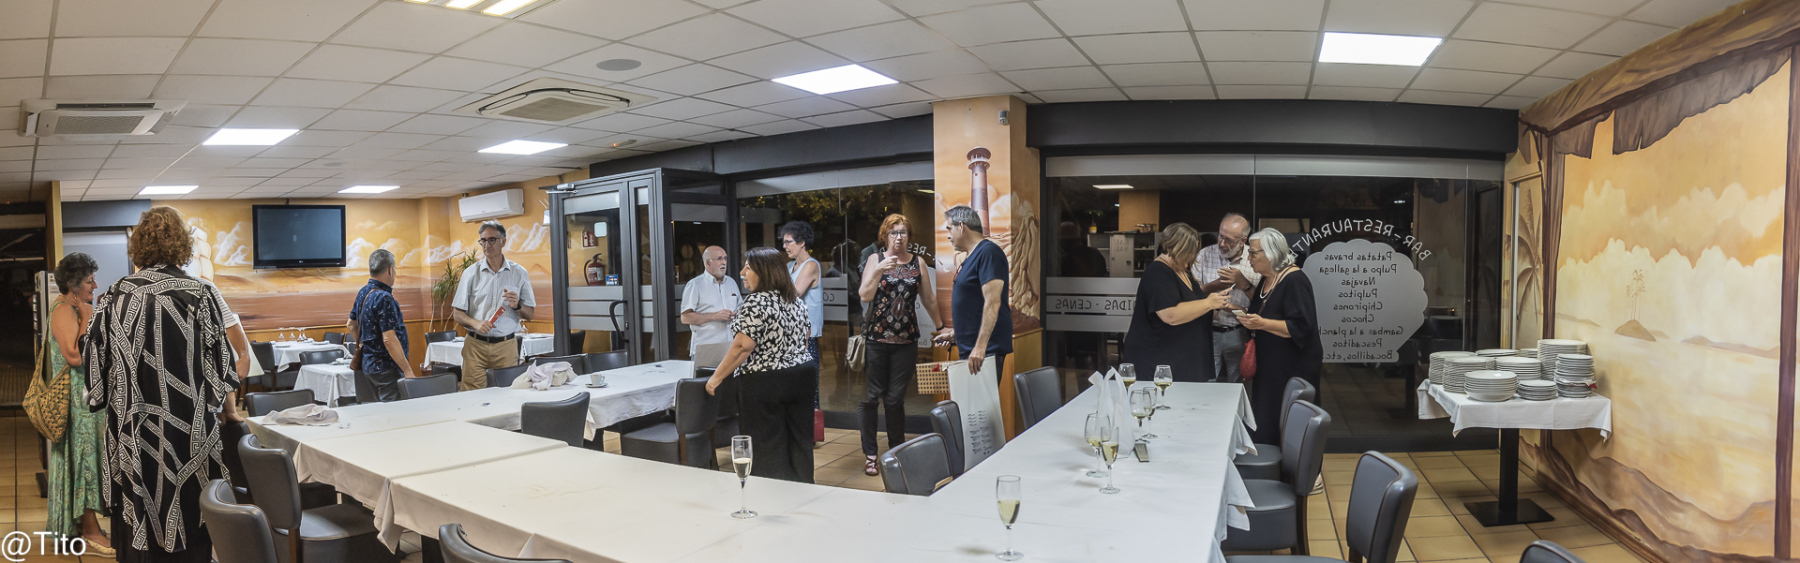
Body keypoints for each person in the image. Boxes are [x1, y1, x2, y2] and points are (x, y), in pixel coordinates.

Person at [85, 206, 244, 562]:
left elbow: (96, 374)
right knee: (191, 515)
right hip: (189, 433)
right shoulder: (200, 293)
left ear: (138, 247)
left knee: (138, 513)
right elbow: (221, 368)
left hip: (133, 433)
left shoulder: (114, 295)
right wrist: (228, 410)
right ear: (182, 245)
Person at [704, 247, 817, 483]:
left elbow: (742, 347)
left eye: (748, 268)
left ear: (764, 272)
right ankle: (803, 490)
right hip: (802, 376)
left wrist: (716, 378)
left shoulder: (755, 302)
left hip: (766, 380)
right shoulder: (795, 300)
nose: (742, 272)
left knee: (767, 444)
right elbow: (805, 338)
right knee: (800, 440)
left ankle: (771, 494)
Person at [855, 214, 942, 476]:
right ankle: (871, 455)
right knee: (872, 398)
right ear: (885, 236)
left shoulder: (918, 262)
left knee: (895, 399)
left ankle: (896, 451)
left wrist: (941, 327)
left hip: (906, 340)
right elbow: (865, 295)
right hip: (876, 339)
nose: (898, 237)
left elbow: (929, 299)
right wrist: (879, 270)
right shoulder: (875, 259)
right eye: (893, 232)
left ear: (909, 236)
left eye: (903, 232)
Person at [46, 253, 112, 555]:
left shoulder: (71, 308)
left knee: (85, 462)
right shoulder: (64, 310)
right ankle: (90, 532)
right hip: (76, 407)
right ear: (73, 285)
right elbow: (74, 356)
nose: (95, 286)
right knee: (84, 463)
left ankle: (86, 527)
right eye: (89, 281)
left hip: (84, 402)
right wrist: (87, 316)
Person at [1239, 228, 1322, 444]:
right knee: (1267, 419)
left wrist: (1261, 323)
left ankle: (1297, 464)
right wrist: (1239, 312)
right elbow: (1263, 314)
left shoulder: (1295, 280)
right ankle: (1270, 459)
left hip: (1291, 369)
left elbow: (1301, 327)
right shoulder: (1266, 279)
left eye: (1253, 253)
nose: (1249, 258)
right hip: (1270, 369)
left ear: (1271, 254)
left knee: (1289, 423)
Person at [1124, 223, 1234, 383]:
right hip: (1161, 359)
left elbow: (1195, 308)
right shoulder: (1158, 272)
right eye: (1189, 252)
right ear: (1174, 248)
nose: (1192, 257)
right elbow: (1170, 314)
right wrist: (1209, 303)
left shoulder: (1184, 272)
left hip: (1184, 360)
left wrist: (1218, 304)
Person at [452, 220, 536, 390]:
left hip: (506, 346)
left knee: (507, 394)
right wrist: (476, 323)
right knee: (472, 396)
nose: (486, 245)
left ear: (503, 241)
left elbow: (530, 314)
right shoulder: (470, 273)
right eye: (483, 240)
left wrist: (517, 306)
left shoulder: (519, 273)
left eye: (492, 240)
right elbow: (457, 313)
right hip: (475, 346)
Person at [934, 205, 1011, 378]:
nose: (948, 235)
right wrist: (955, 334)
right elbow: (973, 304)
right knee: (968, 397)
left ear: (961, 226)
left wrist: (980, 347)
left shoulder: (989, 253)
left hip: (983, 353)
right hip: (971, 350)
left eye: (949, 229)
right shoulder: (972, 256)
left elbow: (993, 302)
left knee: (978, 398)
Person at [1194, 213, 1262, 383]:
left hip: (1239, 332)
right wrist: (1214, 286)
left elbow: (1263, 303)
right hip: (1208, 331)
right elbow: (1191, 295)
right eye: (1220, 236)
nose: (1222, 243)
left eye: (1229, 240)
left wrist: (1244, 283)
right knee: (1205, 384)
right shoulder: (1204, 255)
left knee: (1238, 385)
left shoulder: (1254, 258)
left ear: (1243, 240)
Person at [779, 221, 824, 426]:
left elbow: (793, 294)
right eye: (784, 242)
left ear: (802, 242)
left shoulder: (811, 265)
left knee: (808, 386)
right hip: (790, 335)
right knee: (792, 385)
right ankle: (796, 429)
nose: (785, 246)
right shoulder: (790, 266)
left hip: (807, 337)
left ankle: (810, 432)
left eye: (789, 242)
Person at [358, 249, 417, 401]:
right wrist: (407, 370)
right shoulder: (384, 298)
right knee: (393, 412)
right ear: (390, 269)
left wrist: (370, 345)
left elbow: (351, 325)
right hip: (387, 368)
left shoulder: (363, 292)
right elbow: (389, 339)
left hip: (368, 366)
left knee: (377, 410)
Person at [680, 246, 742, 358]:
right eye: (719, 259)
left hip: (731, 349)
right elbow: (685, 318)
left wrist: (738, 313)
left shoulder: (731, 282)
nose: (724, 262)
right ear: (708, 263)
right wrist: (715, 316)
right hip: (706, 350)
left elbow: (741, 308)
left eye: (725, 258)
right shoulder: (695, 284)